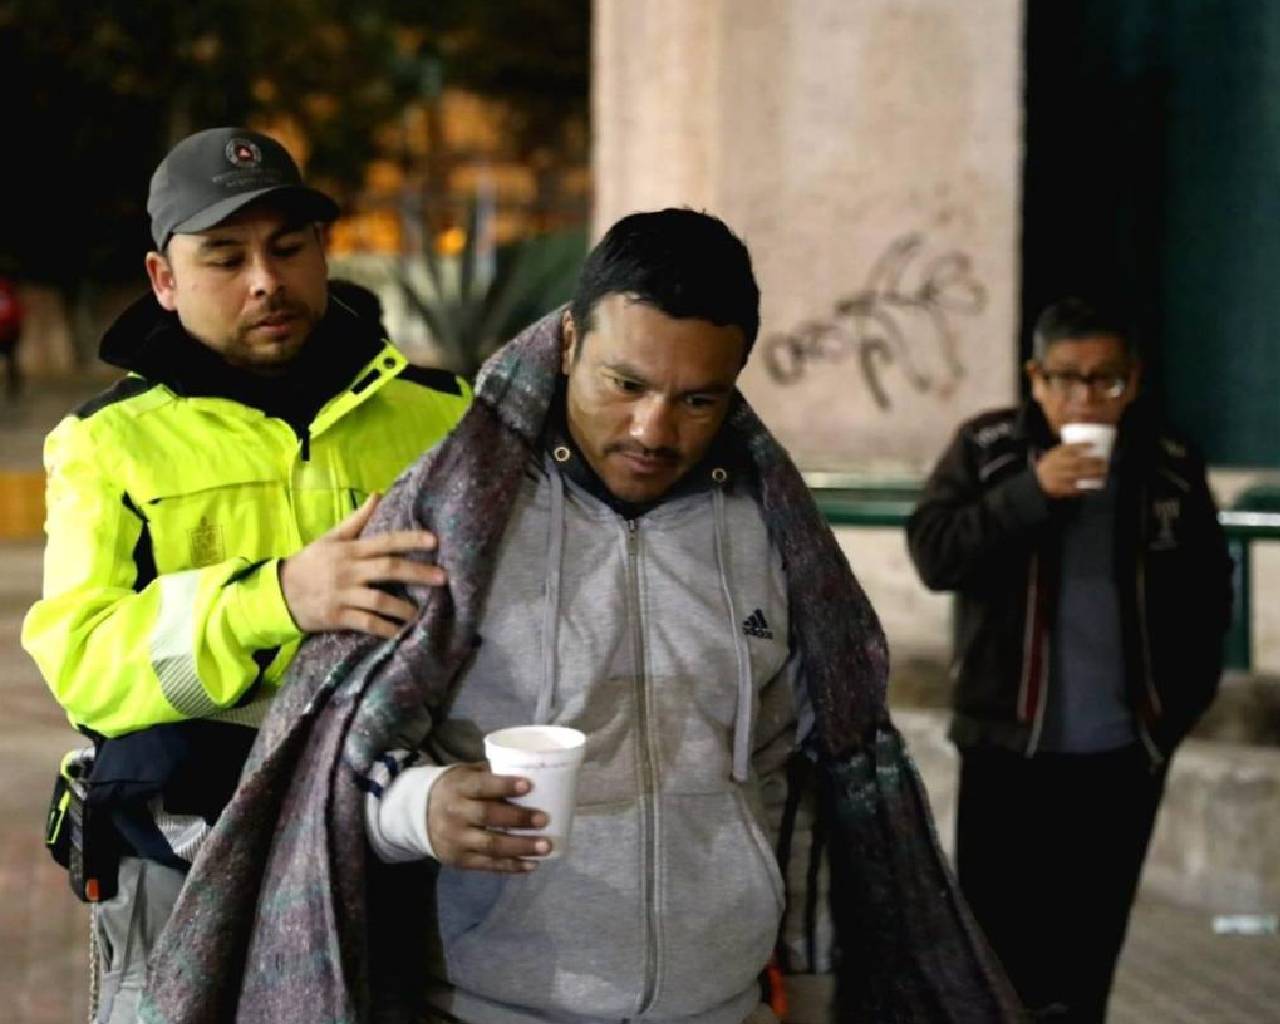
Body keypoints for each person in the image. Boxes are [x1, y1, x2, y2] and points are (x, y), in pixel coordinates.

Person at [141, 209, 1023, 1024]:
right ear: (569, 341)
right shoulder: (454, 518)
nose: (653, 430)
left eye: (697, 400)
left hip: (725, 1008)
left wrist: (817, 990)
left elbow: (794, 782)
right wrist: (417, 807)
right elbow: (331, 767)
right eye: (624, 383)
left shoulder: (771, 538)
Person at [20, 126, 471, 1024]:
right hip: (186, 857)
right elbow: (83, 664)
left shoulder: (443, 415)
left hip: (400, 839)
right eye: (225, 258)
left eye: (288, 247)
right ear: (164, 279)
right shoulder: (106, 444)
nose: (266, 280)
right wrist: (278, 599)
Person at [906, 296, 1232, 1022]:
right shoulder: (987, 448)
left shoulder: (1169, 466)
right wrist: (1031, 493)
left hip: (1122, 756)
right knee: (996, 957)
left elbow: (1210, 595)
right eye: (1067, 379)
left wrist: (1172, 715)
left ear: (1133, 381)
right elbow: (934, 553)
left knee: (1087, 958)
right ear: (1036, 379)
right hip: (1007, 749)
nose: (1086, 399)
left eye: (1105, 380)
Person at [0, 272, 24, 397]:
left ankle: (13, 388)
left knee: (11, 361)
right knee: (11, 361)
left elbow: (15, 313)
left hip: (9, 333)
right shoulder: (8, 291)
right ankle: (13, 387)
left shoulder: (7, 291)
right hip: (9, 332)